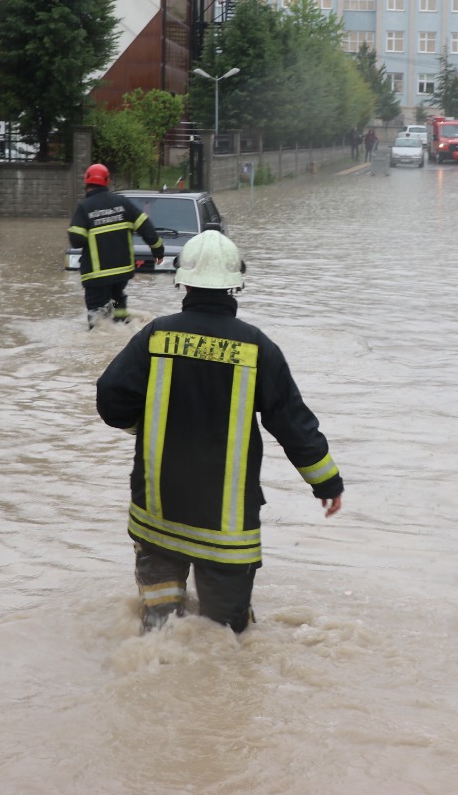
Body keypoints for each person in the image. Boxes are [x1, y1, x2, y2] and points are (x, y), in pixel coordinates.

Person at [96, 230, 345, 633]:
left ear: (183, 281)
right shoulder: (257, 348)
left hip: (157, 517)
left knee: (158, 633)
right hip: (226, 532)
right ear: (236, 283)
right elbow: (292, 423)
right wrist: (327, 482)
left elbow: (110, 396)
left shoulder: (155, 336)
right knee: (225, 638)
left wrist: (141, 427)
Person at [67, 162, 163, 329]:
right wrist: (158, 250)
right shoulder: (122, 203)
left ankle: (100, 344)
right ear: (107, 181)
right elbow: (146, 227)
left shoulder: (85, 207)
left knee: (97, 318)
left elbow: (76, 239)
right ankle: (121, 333)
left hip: (96, 277)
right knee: (118, 306)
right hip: (121, 274)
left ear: (86, 182)